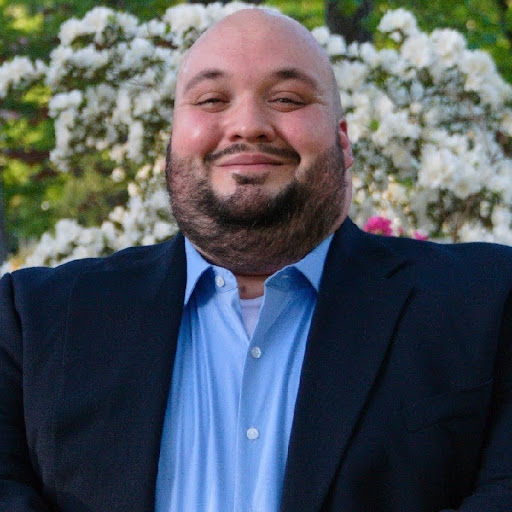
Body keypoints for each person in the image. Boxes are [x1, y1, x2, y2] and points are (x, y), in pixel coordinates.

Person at [1, 8, 512, 512]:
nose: (248, 124)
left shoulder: (488, 304)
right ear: (172, 142)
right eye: (211, 99)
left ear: (343, 142)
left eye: (287, 98)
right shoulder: (33, 321)